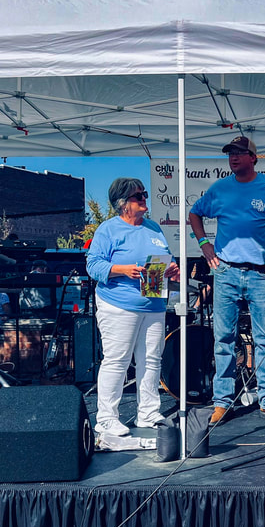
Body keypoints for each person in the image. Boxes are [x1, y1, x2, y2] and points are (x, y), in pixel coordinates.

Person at [189, 135, 265, 425]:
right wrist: (203, 244)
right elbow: (194, 213)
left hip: (261, 273)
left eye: (240, 153)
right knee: (224, 338)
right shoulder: (220, 188)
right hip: (226, 271)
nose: (233, 157)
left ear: (253, 158)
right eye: (230, 153)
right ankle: (222, 402)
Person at [86, 178, 180, 438]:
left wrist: (172, 269)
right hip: (119, 304)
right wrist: (121, 270)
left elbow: (166, 259)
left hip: (153, 302)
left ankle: (148, 412)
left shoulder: (153, 228)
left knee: (151, 359)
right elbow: (93, 266)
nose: (143, 199)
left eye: (144, 194)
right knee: (117, 360)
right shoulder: (108, 230)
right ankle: (106, 418)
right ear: (122, 203)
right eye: (138, 196)